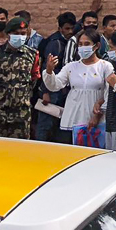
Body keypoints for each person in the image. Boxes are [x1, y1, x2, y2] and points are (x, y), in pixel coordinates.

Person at [44, 28, 115, 145]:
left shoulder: (105, 66)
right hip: (73, 116)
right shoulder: (71, 67)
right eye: (80, 44)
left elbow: (108, 92)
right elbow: (55, 85)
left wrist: (98, 115)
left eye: (87, 44)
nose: (83, 47)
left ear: (96, 46)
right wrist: (49, 71)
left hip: (95, 118)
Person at [0, 17, 40, 138]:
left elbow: (33, 80)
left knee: (19, 152)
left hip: (21, 115)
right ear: (8, 34)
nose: (20, 36)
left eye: (23, 34)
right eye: (16, 34)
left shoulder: (32, 55)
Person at [36, 11, 76, 143]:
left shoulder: (70, 42)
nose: (70, 31)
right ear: (60, 29)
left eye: (72, 28)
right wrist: (45, 92)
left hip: (61, 90)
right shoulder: (55, 43)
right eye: (67, 28)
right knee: (45, 125)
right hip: (51, 91)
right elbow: (46, 69)